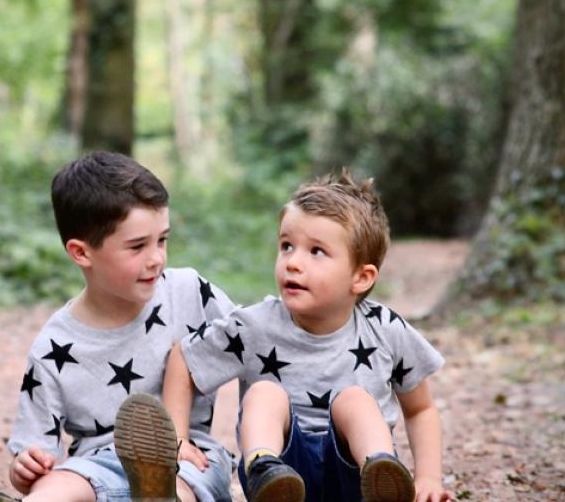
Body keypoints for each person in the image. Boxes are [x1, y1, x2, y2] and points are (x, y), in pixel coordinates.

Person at [0, 151, 235, 502]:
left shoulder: (189, 293)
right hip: (96, 467)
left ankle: (159, 497)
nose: (156, 258)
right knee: (56, 486)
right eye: (137, 246)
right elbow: (33, 452)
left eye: (162, 240)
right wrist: (26, 469)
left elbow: (258, 337)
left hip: (187, 458)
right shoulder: (54, 346)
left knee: (177, 487)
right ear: (81, 253)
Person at [163, 171, 454, 502]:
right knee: (264, 393)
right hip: (280, 473)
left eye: (316, 251)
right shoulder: (255, 325)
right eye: (287, 246)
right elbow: (183, 359)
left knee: (355, 400)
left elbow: (420, 409)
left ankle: (381, 472)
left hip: (355, 474)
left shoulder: (384, 328)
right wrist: (177, 440)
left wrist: (429, 477)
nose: (293, 263)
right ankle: (264, 469)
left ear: (361, 277)